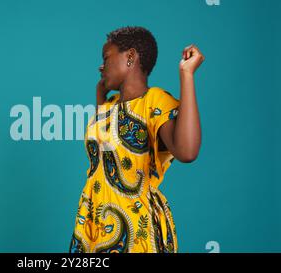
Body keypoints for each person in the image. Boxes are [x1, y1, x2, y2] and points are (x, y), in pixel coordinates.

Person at [69, 26, 204, 253]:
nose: (101, 66)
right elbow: (106, 148)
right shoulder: (109, 105)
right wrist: (101, 90)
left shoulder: (154, 101)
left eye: (106, 58)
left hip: (136, 230)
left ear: (130, 57)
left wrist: (186, 75)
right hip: (93, 226)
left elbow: (187, 151)